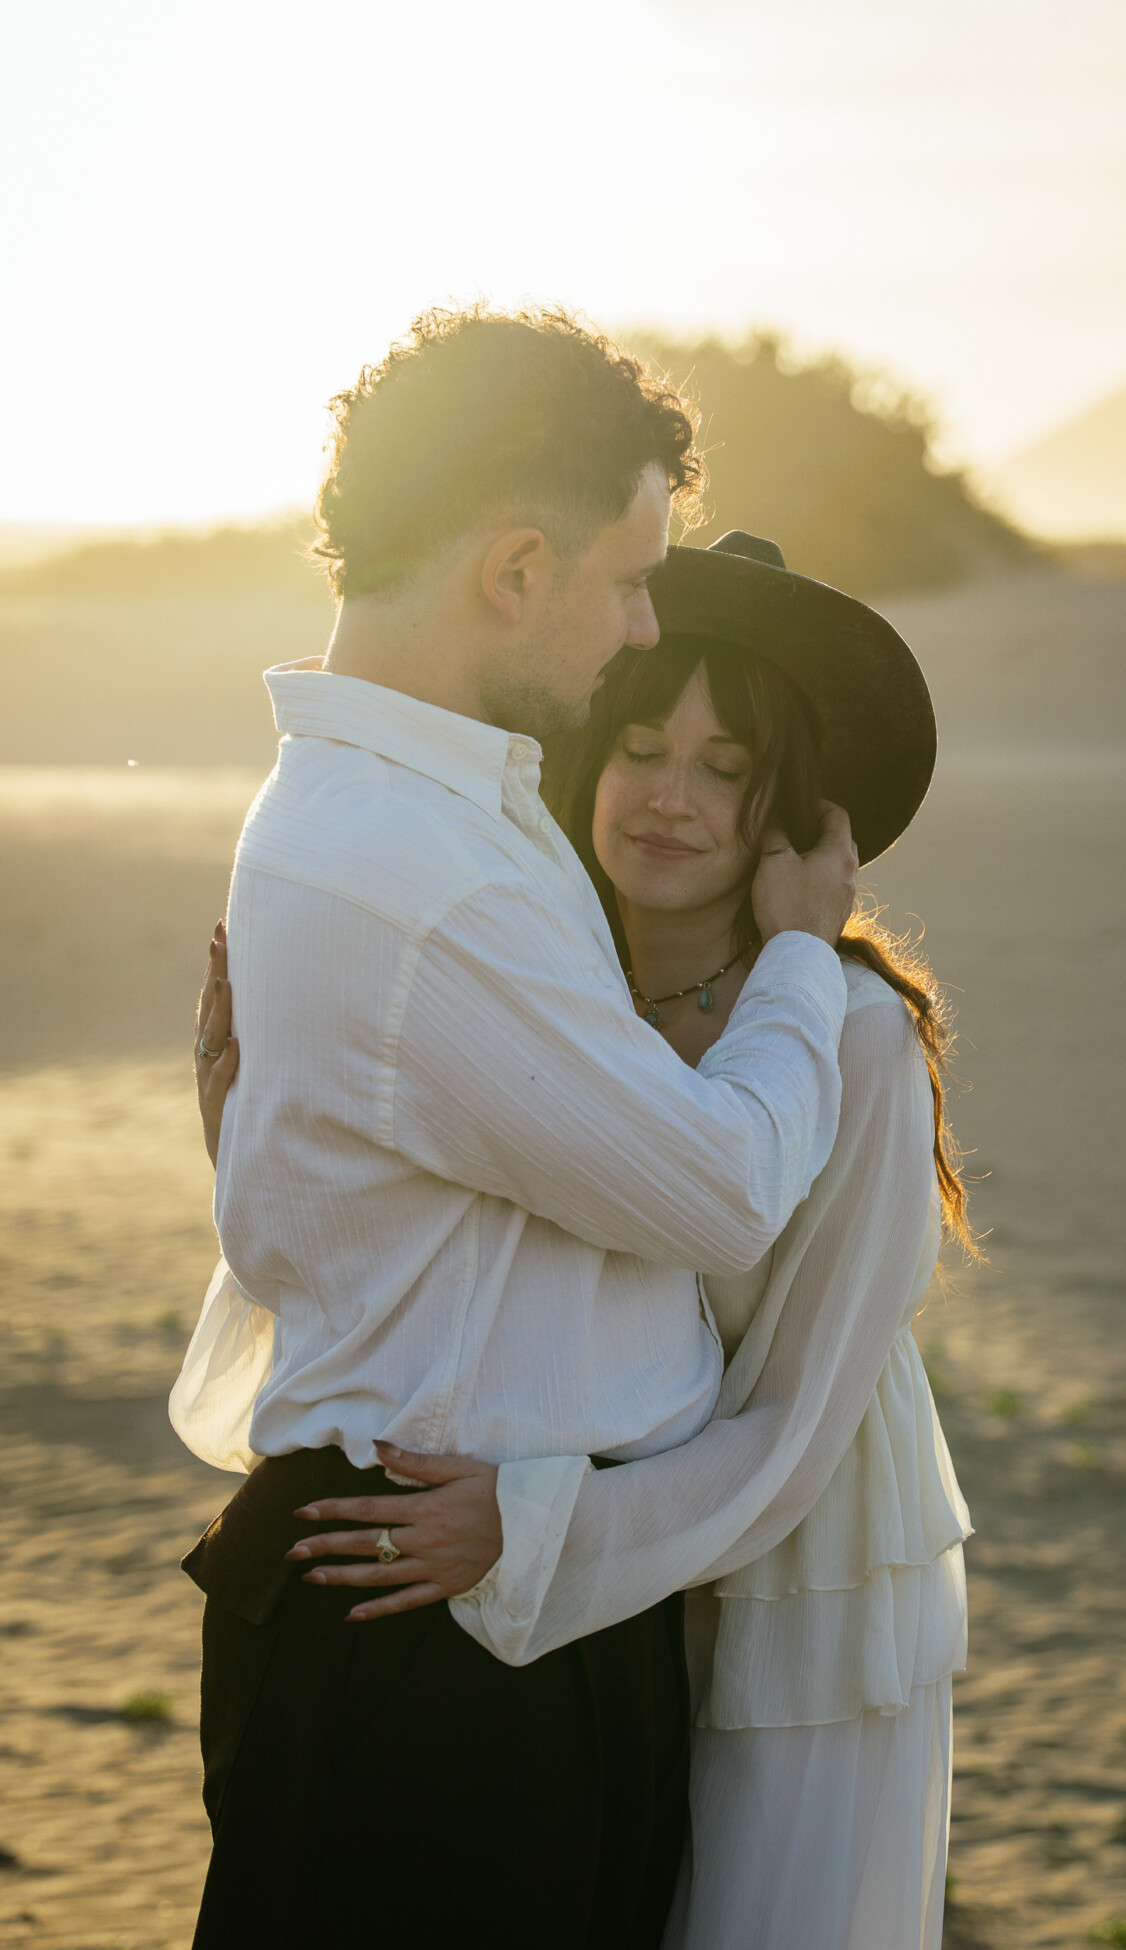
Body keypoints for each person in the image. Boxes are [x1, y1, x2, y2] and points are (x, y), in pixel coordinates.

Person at [171, 307, 862, 1950]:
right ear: (515, 568)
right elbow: (724, 1188)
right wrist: (803, 968)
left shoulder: (430, 814)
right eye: (631, 580)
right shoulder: (432, 872)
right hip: (433, 1646)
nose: (641, 623)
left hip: (487, 1594)